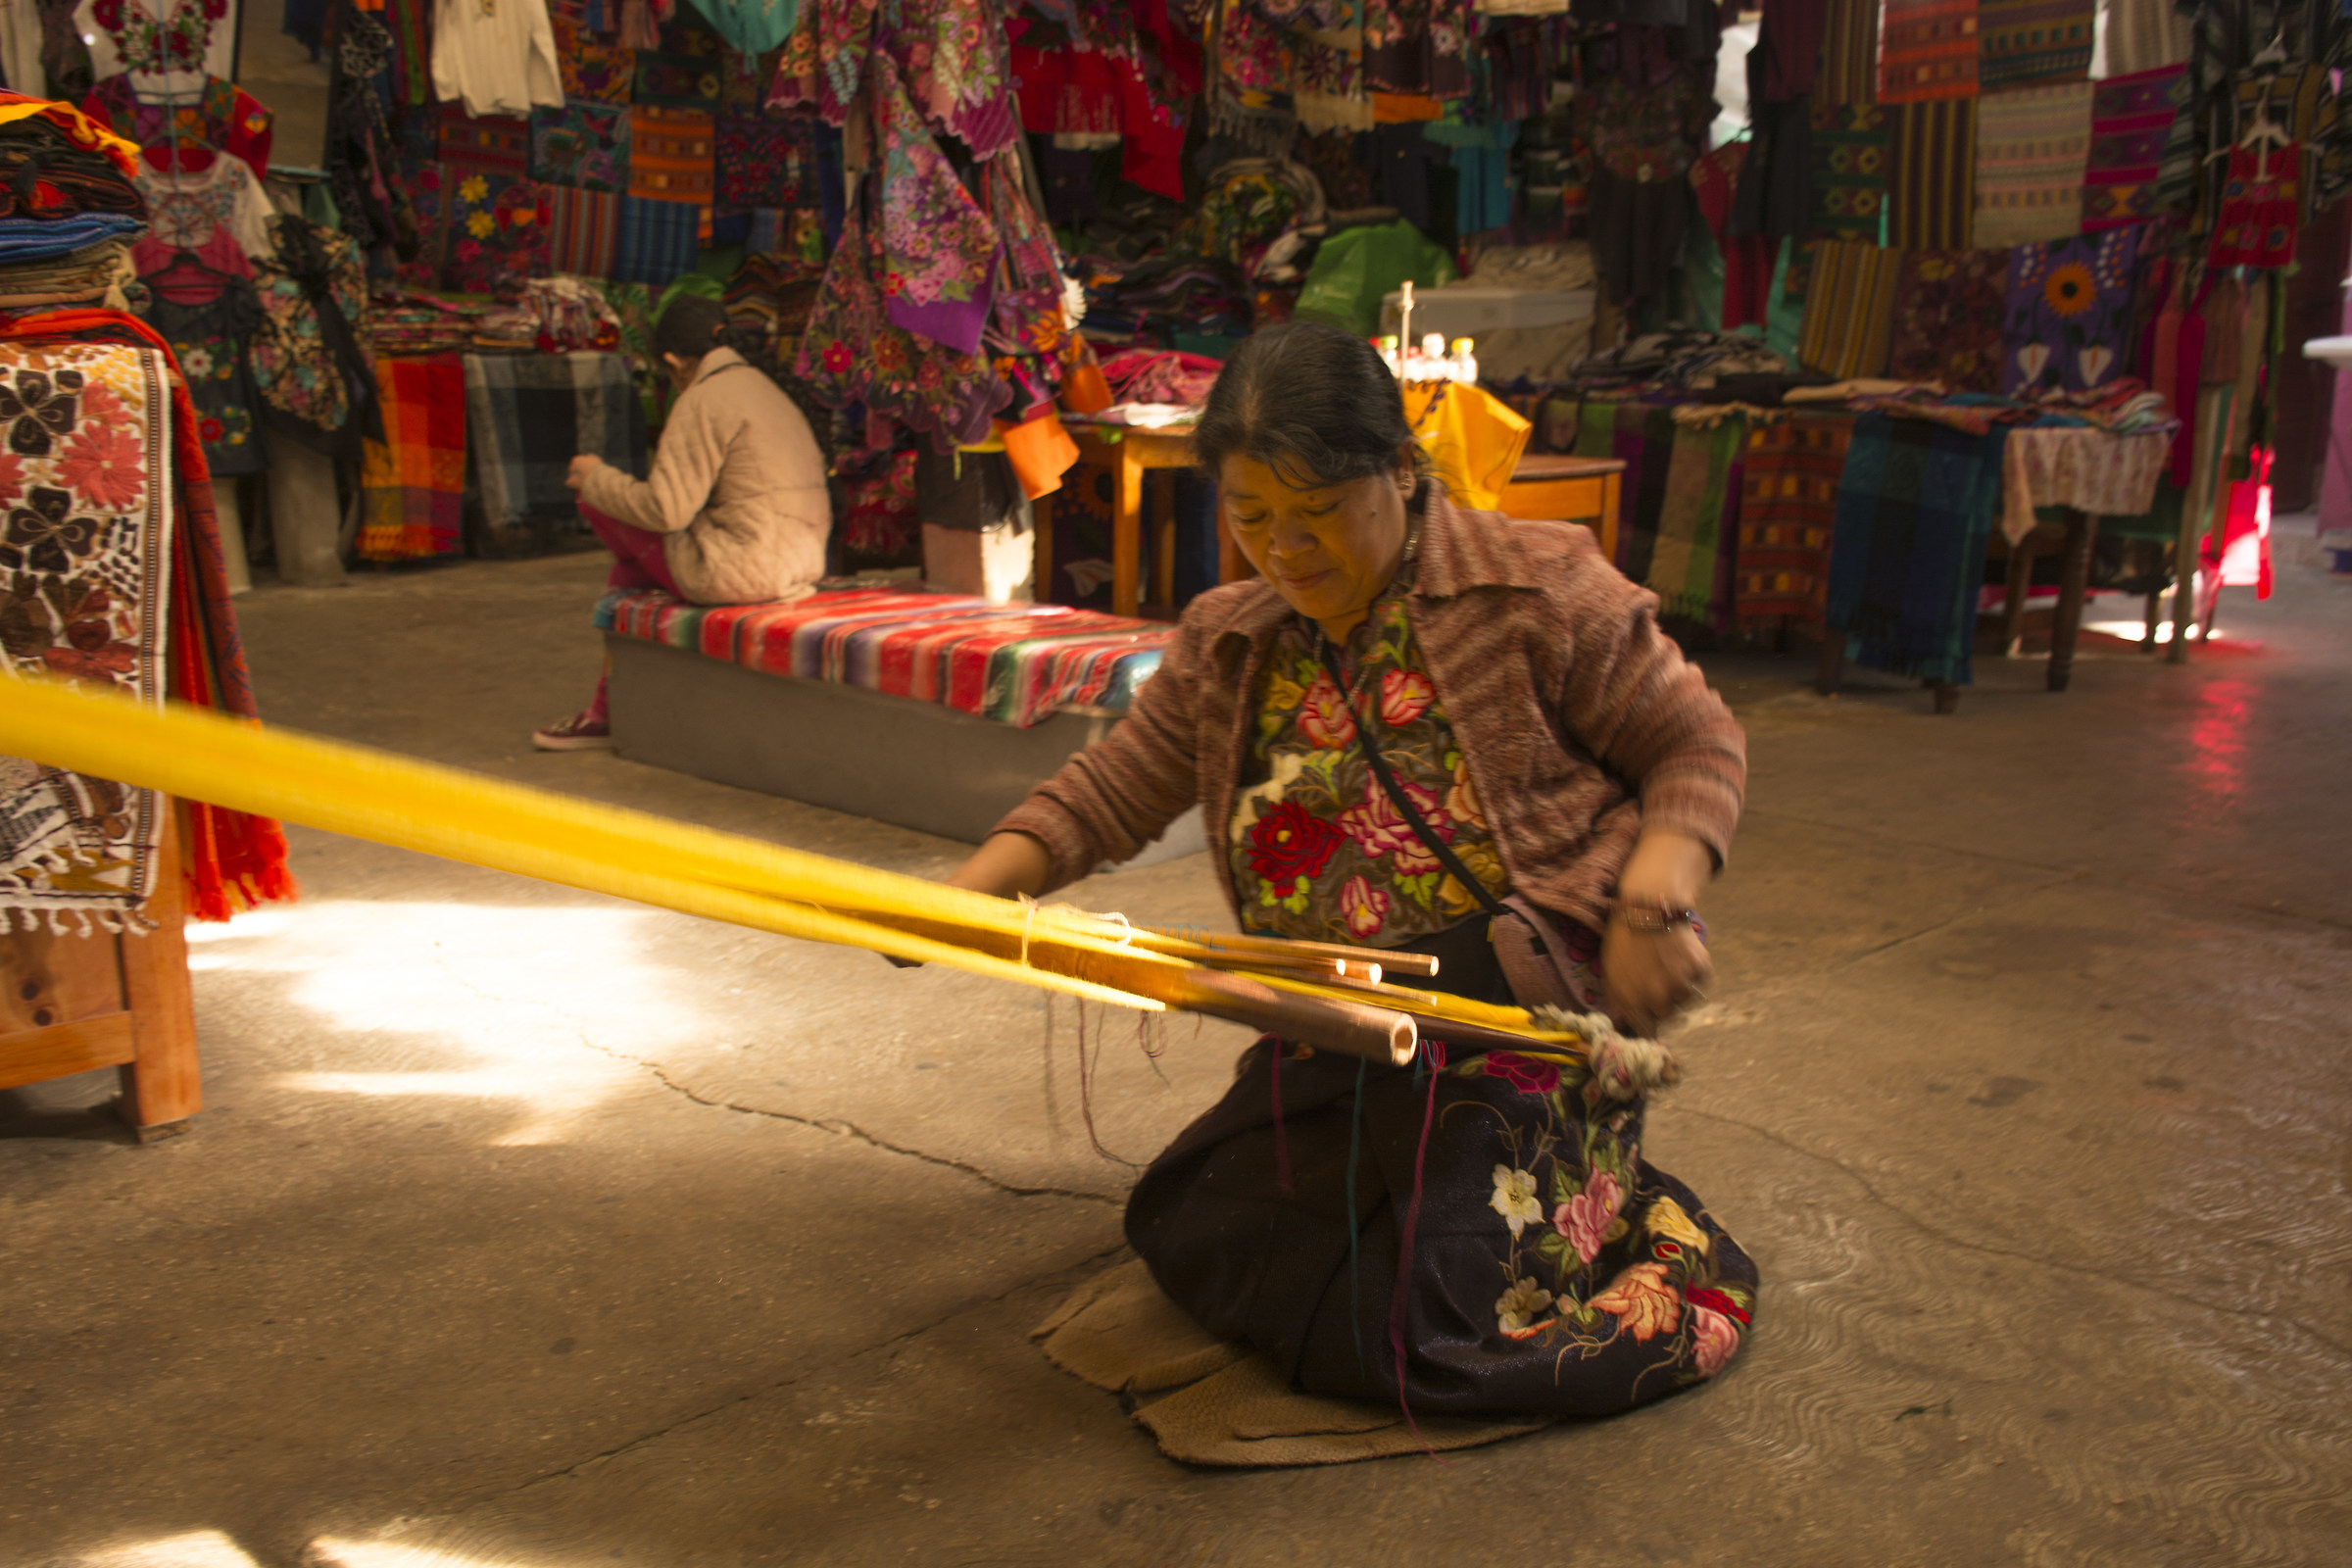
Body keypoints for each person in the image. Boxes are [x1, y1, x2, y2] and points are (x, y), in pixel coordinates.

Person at [942, 321, 1758, 1418]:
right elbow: (1109, 791)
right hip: (1348, 1028)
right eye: (1254, 514)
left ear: (1402, 470)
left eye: (1322, 510)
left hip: (1514, 1029)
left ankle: (1586, 1196)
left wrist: (1655, 898)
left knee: (1418, 1323)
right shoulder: (1233, 638)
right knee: (1189, 1222)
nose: (1288, 547)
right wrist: (967, 897)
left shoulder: (1536, 590)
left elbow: (1695, 743)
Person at [533, 296, 832, 750]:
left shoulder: (705, 397)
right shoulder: (765, 387)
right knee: (631, 550)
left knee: (598, 501)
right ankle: (605, 709)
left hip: (740, 569)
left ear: (672, 361)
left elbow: (665, 510)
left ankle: (604, 713)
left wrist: (595, 478)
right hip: (799, 565)